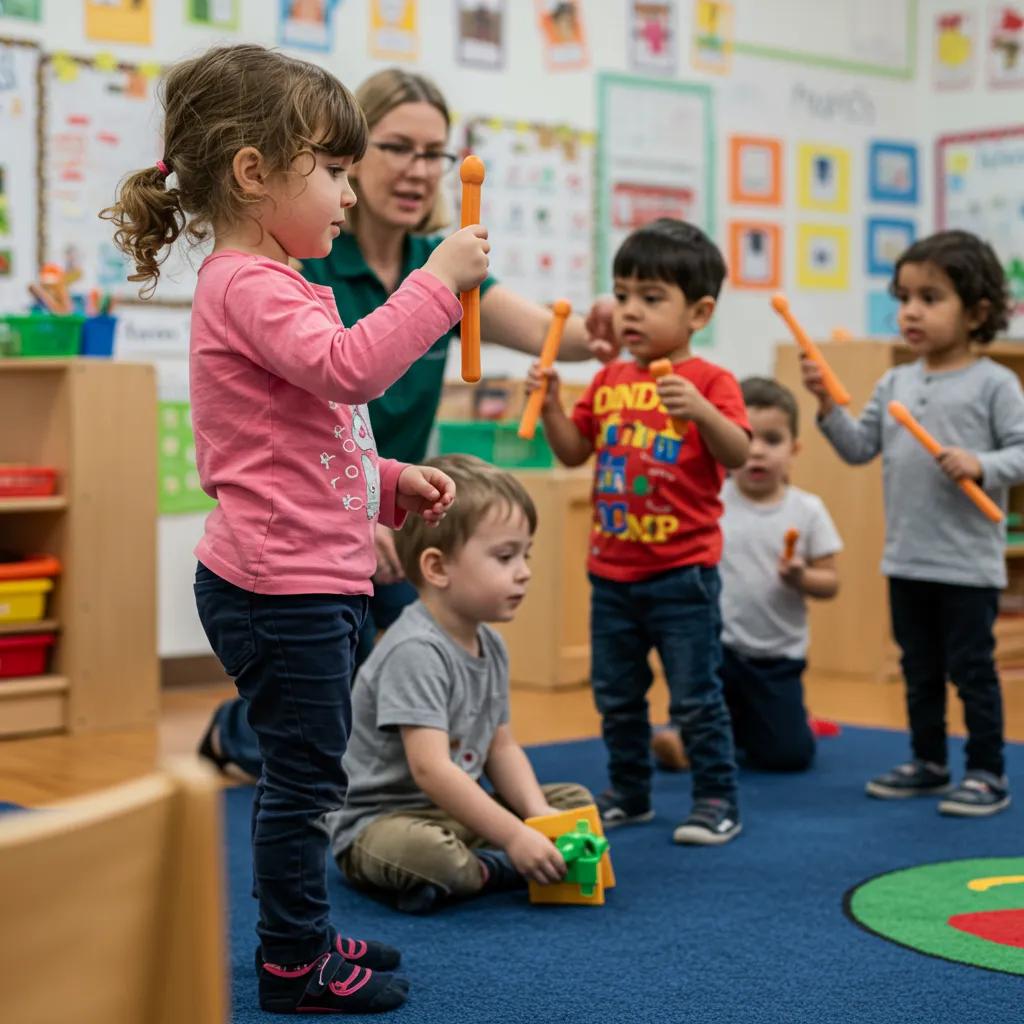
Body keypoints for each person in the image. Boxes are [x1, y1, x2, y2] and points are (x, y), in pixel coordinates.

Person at [104, 44, 491, 1014]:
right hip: (281, 588)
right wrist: (438, 283)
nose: (348, 196)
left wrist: (393, 481)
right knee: (305, 779)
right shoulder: (249, 283)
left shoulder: (272, 278)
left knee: (307, 767)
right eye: (331, 171)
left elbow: (312, 434)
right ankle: (291, 959)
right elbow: (354, 371)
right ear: (253, 172)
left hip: (305, 576)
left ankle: (301, 926)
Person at [198, 66, 616, 784]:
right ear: (353, 156)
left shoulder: (435, 261)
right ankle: (238, 731)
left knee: (426, 632)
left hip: (393, 500)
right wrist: (358, 518)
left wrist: (605, 327)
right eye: (397, 147)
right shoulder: (308, 263)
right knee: (318, 703)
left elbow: (559, 334)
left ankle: (424, 762)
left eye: (435, 154)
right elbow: (338, 375)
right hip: (316, 516)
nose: (418, 170)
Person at [527, 217, 750, 845]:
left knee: (695, 698)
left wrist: (704, 412)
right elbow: (574, 453)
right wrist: (547, 405)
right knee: (617, 696)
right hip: (613, 573)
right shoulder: (607, 380)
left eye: (652, 299)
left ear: (698, 311)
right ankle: (630, 791)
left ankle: (716, 798)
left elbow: (737, 454)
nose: (630, 311)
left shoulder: (711, 381)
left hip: (684, 576)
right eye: (623, 295)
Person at [802, 229, 1024, 817]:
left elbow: (1023, 453)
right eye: (904, 298)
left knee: (972, 672)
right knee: (918, 669)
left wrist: (982, 462)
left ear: (977, 311)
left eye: (930, 298)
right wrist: (827, 405)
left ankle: (986, 771)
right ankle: (928, 762)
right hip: (907, 557)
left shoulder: (995, 384)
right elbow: (856, 448)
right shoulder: (895, 381)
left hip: (967, 563)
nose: (911, 312)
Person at [326, 454, 593, 913]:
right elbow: (431, 770)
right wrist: (515, 836)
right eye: (505, 556)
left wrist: (538, 815)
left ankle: (482, 865)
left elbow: (500, 747)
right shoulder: (415, 650)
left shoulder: (491, 644)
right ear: (437, 568)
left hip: (454, 811)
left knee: (574, 803)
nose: (524, 571)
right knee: (434, 857)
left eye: (525, 555)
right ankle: (494, 868)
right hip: (385, 821)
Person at [652, 377, 841, 773]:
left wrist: (801, 577)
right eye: (747, 438)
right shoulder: (711, 501)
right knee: (701, 701)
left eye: (772, 440)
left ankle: (756, 725)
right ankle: (686, 730)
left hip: (776, 660)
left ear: (795, 450)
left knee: (789, 757)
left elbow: (831, 582)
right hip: (717, 649)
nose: (756, 452)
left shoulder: (808, 510)